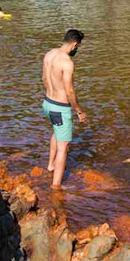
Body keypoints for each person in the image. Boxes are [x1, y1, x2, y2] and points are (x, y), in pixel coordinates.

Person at [41, 29, 87, 189]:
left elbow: (44, 78)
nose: (77, 49)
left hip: (47, 103)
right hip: (60, 107)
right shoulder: (67, 62)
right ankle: (56, 186)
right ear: (74, 44)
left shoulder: (49, 54)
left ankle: (51, 165)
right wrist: (79, 111)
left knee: (56, 131)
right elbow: (70, 91)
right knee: (64, 147)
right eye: (78, 46)